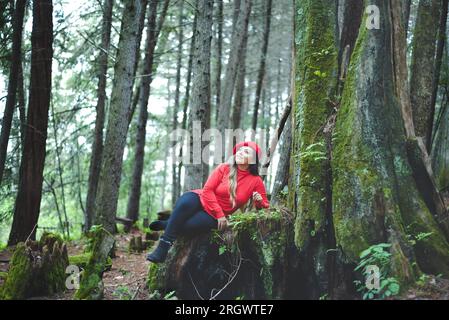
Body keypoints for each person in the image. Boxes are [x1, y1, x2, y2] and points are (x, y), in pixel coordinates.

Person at [146, 141, 270, 263]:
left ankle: (169, 224)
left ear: (253, 159)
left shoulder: (256, 181)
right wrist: (220, 214)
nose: (240, 152)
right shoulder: (224, 168)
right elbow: (208, 190)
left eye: (246, 151)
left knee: (190, 226)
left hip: (213, 216)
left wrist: (259, 201)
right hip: (202, 198)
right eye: (240, 150)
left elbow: (264, 205)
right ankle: (162, 248)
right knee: (184, 203)